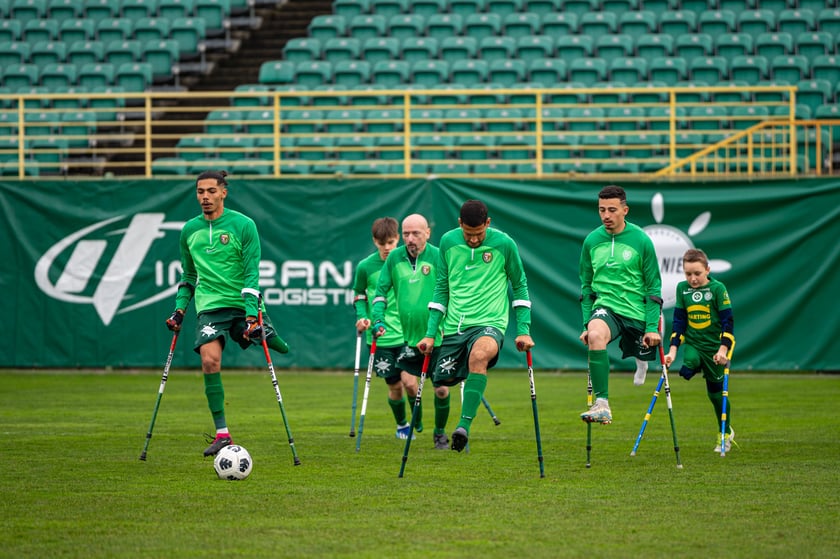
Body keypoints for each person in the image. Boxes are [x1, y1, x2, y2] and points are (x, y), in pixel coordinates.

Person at [165, 170, 290, 457]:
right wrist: (179, 310)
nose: (205, 197)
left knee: (274, 343)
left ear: (224, 192)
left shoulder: (244, 225)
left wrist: (251, 316)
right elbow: (188, 275)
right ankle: (222, 433)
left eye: (211, 191)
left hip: (242, 302)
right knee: (209, 360)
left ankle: (262, 333)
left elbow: (251, 272)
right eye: (200, 192)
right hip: (210, 305)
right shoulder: (189, 230)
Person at [418, 200, 534, 452]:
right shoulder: (448, 242)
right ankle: (438, 429)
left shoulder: (504, 244)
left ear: (488, 223)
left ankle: (463, 426)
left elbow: (520, 285)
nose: (473, 240)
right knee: (442, 383)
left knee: (479, 356)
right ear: (459, 224)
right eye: (468, 234)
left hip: (490, 323)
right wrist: (430, 334)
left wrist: (523, 330)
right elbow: (441, 288)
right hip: (455, 327)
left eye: (479, 234)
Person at [579, 185, 662, 425]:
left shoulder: (641, 240)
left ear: (625, 210)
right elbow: (586, 287)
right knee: (595, 335)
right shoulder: (591, 241)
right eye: (602, 210)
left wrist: (651, 328)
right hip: (606, 307)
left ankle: (641, 361)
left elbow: (653, 288)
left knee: (642, 354)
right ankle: (602, 404)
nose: (606, 215)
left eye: (612, 210)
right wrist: (586, 325)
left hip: (635, 311)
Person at [371, 214, 451, 450]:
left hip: (439, 336)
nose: (410, 238)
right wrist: (378, 319)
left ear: (428, 233)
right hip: (410, 337)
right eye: (406, 234)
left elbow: (454, 291)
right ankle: (417, 420)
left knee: (442, 390)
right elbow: (380, 293)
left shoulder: (439, 256)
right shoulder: (394, 258)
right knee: (407, 383)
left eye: (416, 233)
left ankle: (440, 433)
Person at [664, 248, 737, 453]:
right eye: (688, 274)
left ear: (707, 270)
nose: (692, 279)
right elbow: (679, 322)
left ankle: (725, 432)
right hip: (694, 344)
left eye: (697, 273)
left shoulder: (718, 289)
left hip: (715, 348)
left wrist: (723, 350)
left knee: (715, 395)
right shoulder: (682, 289)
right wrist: (672, 352)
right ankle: (695, 365)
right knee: (688, 365)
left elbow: (728, 321)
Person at [353, 217, 419, 440]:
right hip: (380, 338)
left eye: (391, 242)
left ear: (398, 238)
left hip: (407, 335)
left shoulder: (409, 262)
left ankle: (417, 418)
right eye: (382, 244)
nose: (387, 248)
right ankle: (402, 425)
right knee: (395, 388)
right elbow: (359, 295)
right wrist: (362, 317)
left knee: (411, 383)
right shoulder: (365, 266)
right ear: (375, 241)